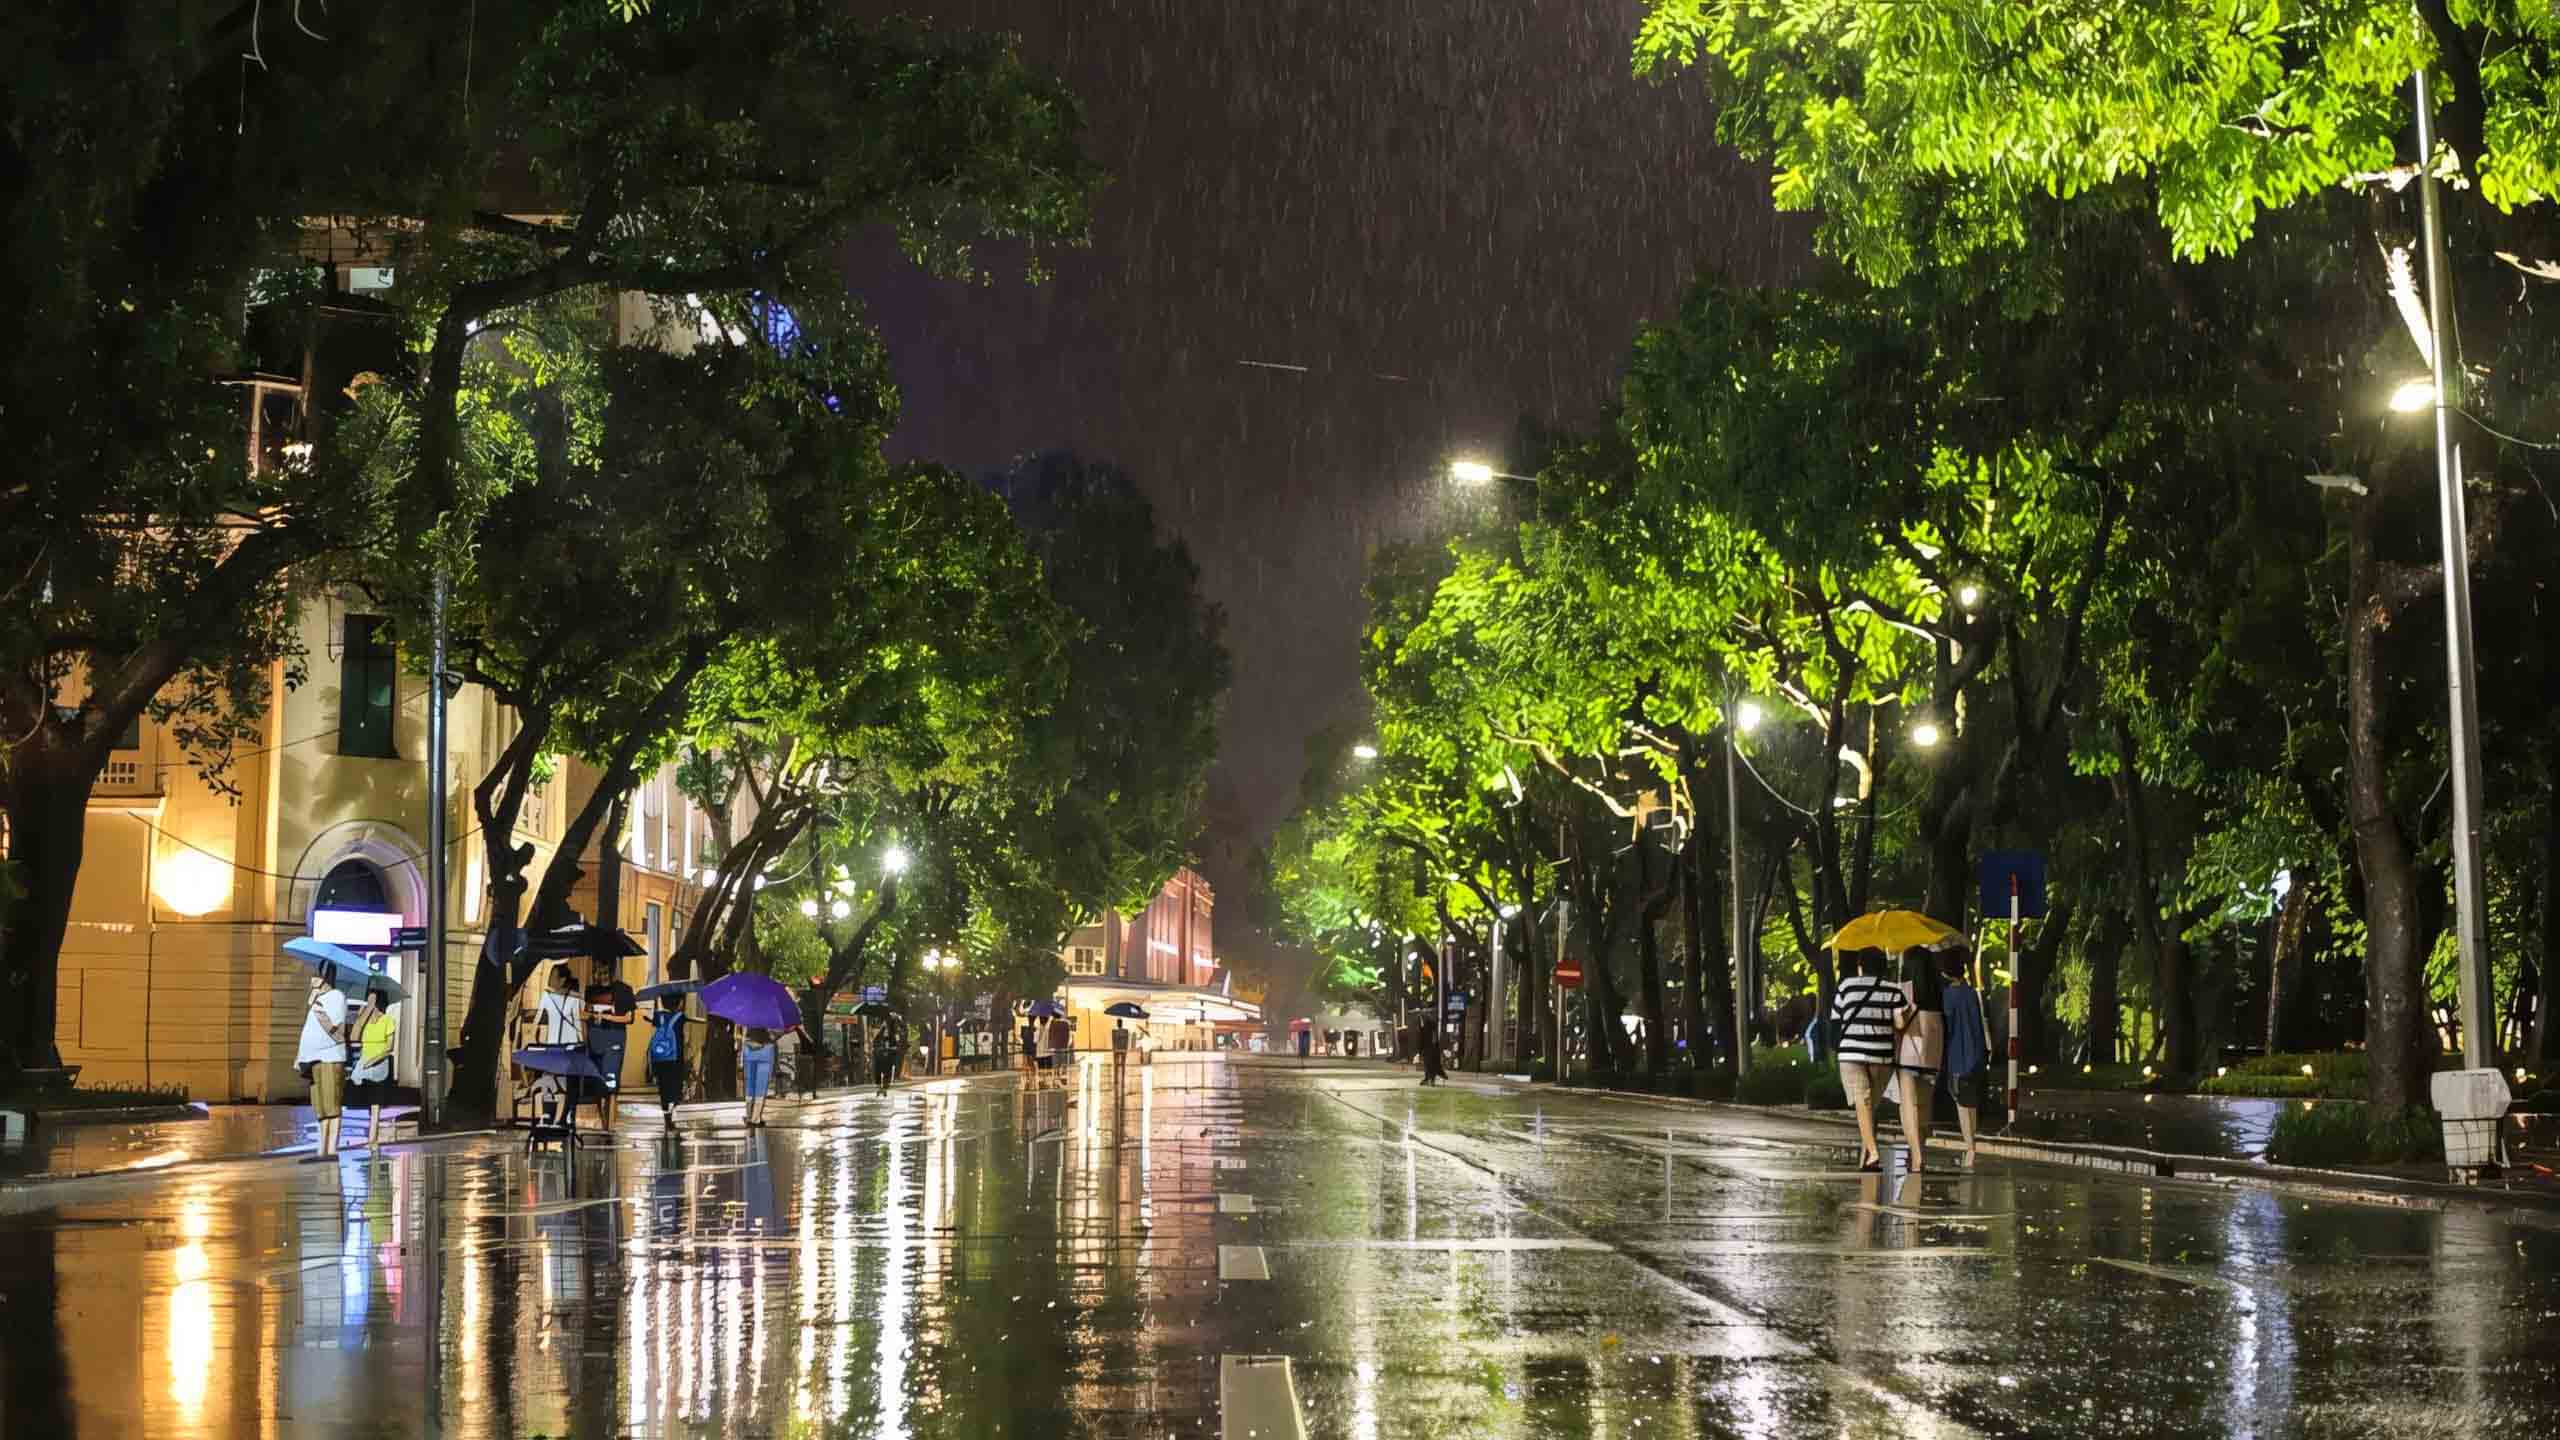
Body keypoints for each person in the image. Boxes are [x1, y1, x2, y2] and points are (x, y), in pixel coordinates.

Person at [1827, 948, 1900, 1172]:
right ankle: (1869, 1155)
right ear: (1884, 968)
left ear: (1860, 967)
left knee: (1863, 1103)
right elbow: (1900, 1024)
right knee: (1869, 1105)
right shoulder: (1894, 990)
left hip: (1851, 1054)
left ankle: (1871, 1153)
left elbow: (1835, 1021)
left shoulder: (1846, 987)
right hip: (1881, 1055)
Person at [1892, 948, 1948, 1173]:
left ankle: (1916, 1155)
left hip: (1909, 1052)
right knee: (1924, 1105)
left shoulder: (1906, 990)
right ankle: (1920, 1149)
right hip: (1933, 1053)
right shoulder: (1939, 991)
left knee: (1908, 1105)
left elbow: (1899, 1023)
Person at [1938, 948, 1991, 1168]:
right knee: (1971, 1101)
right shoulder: (1971, 993)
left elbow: (1946, 1026)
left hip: (1957, 1055)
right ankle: (1972, 1143)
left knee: (1961, 1102)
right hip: (1976, 1053)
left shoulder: (1948, 996)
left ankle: (1970, 1147)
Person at [297, 974, 350, 1160]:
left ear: (325, 979)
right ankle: (322, 1148)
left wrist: (317, 1007)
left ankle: (332, 1149)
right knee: (320, 1107)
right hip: (313, 1059)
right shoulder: (316, 999)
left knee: (331, 1104)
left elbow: (335, 1030)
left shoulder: (337, 996)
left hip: (330, 1057)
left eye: (316, 977)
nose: (312, 981)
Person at [585, 964, 638, 1130]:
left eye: (605, 972)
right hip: (595, 1040)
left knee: (611, 1082)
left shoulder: (624, 990)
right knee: (597, 1083)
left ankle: (609, 1125)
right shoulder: (591, 990)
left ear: (612, 972)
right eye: (598, 972)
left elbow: (629, 1018)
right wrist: (593, 1016)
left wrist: (607, 1017)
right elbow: (584, 1013)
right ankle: (603, 1121)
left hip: (615, 1040)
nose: (602, 976)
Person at [532, 965, 585, 1128]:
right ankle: (561, 1117)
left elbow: (537, 1021)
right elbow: (578, 1024)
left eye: (552, 976)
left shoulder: (552, 997)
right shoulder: (572, 998)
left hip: (560, 1046)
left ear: (562, 980)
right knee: (562, 1083)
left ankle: (556, 1117)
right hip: (564, 1046)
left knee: (558, 1082)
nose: (549, 979)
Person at [347, 984, 398, 1149]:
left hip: (379, 1064)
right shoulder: (365, 1020)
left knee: (375, 1103)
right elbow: (354, 1037)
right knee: (364, 1100)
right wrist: (362, 1017)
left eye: (372, 1001)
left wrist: (374, 1060)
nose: (369, 1004)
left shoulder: (388, 1020)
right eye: (368, 1001)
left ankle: (372, 1139)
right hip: (363, 1063)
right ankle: (370, 1135)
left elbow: (389, 1047)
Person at [645, 994, 692, 1126]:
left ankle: (666, 1112)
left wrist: (659, 1001)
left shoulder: (659, 1016)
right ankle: (673, 1111)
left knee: (663, 1086)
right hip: (675, 1058)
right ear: (679, 1003)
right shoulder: (680, 1017)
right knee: (675, 1086)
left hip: (660, 1058)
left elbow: (652, 1018)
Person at [741, 1026, 778, 1127]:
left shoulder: (749, 1017)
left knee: (750, 1085)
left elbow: (745, 1033)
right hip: (765, 1050)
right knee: (761, 1086)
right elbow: (776, 1033)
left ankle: (749, 1116)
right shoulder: (771, 1018)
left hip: (749, 1049)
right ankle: (756, 1118)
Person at [872, 1018, 899, 1095]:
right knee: (878, 1072)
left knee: (887, 1072)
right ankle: (879, 1086)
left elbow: (896, 1046)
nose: (886, 1032)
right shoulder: (878, 1036)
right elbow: (875, 1044)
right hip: (880, 1057)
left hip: (888, 1057)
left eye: (887, 1030)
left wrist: (892, 1049)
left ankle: (885, 1087)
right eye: (885, 1030)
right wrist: (878, 1049)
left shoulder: (893, 1037)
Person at [1418, 1018, 1447, 1086]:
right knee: (1429, 1065)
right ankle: (1429, 1079)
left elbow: (1424, 1041)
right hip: (1430, 1050)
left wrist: (1420, 1050)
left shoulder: (1428, 1031)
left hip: (1430, 1051)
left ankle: (1430, 1079)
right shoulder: (1430, 1031)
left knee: (1430, 1065)